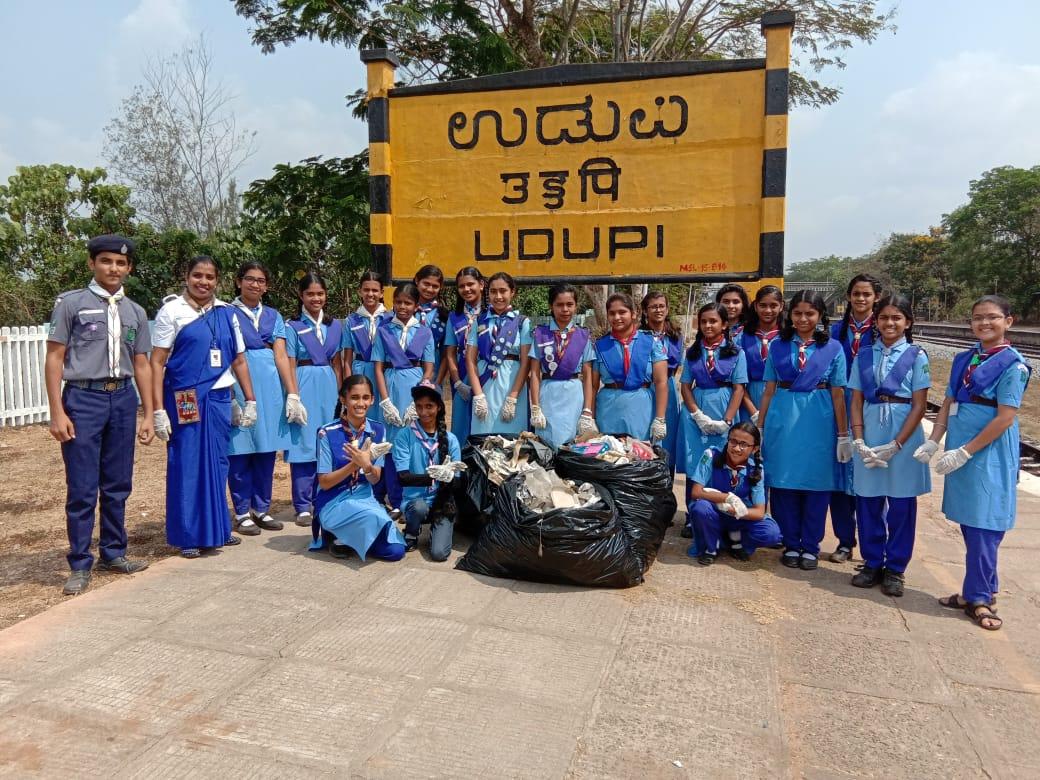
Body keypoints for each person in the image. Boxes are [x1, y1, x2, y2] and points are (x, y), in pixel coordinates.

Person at [44, 234, 154, 595]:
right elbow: (55, 358)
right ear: (92, 263)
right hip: (83, 399)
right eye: (107, 261)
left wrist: (149, 412)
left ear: (129, 269)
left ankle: (113, 552)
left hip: (122, 399)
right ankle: (79, 562)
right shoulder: (71, 304)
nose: (114, 268)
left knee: (118, 483)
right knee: (82, 487)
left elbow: (141, 364)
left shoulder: (135, 311)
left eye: (121, 263)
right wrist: (57, 412)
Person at [916, 295, 1031, 631]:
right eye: (978, 318)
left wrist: (965, 451)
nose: (984, 323)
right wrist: (933, 440)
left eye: (992, 317)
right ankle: (979, 590)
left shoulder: (1014, 365)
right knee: (971, 521)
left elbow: (1005, 417)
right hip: (960, 448)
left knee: (986, 523)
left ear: (1009, 321)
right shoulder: (965, 359)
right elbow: (950, 400)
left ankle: (979, 597)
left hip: (988, 452)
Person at [151, 255, 257, 559]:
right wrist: (157, 409)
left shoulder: (226, 313)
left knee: (218, 461)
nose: (203, 282)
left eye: (210, 277)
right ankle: (189, 534)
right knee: (188, 461)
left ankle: (218, 530)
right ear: (187, 276)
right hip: (185, 397)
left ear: (218, 281)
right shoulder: (172, 311)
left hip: (221, 397)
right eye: (197, 275)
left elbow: (238, 359)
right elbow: (157, 362)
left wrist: (248, 399)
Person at [757, 290, 850, 571]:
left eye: (809, 313)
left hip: (819, 420)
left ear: (820, 316)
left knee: (816, 484)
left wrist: (843, 434)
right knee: (783, 482)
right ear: (790, 314)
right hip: (782, 418)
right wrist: (760, 426)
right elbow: (769, 389)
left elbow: (838, 394)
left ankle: (810, 545)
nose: (803, 318)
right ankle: (791, 542)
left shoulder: (833, 349)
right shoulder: (778, 346)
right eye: (797, 313)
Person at [848, 294, 930, 597]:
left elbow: (919, 405)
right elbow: (855, 399)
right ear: (876, 321)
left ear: (907, 322)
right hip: (870, 430)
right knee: (868, 501)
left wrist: (897, 444)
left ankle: (895, 568)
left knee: (901, 504)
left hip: (903, 435)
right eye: (884, 317)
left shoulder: (917, 355)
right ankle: (872, 562)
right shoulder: (864, 354)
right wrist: (857, 438)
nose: (890, 323)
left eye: (897, 317)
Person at [227, 261, 305, 536]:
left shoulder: (273, 315)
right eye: (250, 279)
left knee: (265, 450)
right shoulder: (226, 313)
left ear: (267, 286)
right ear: (238, 282)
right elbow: (226, 355)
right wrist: (231, 396)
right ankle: (241, 511)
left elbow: (281, 355)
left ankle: (261, 507)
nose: (255, 284)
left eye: (261, 280)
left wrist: (292, 392)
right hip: (238, 384)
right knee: (239, 450)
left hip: (270, 389)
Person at [309, 375, 406, 562]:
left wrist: (367, 465)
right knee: (374, 524)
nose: (360, 403)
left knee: (395, 551)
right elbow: (324, 482)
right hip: (334, 500)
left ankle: (347, 538)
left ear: (372, 400)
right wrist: (354, 464)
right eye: (354, 397)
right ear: (343, 399)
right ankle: (334, 532)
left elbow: (376, 478)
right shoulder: (326, 432)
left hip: (364, 498)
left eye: (365, 398)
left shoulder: (378, 430)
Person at [828, 273, 882, 564]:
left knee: (870, 475)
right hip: (839, 405)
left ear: (875, 298)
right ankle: (845, 540)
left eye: (867, 294)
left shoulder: (883, 328)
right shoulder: (836, 332)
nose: (861, 299)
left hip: (871, 407)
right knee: (839, 477)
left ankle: (874, 546)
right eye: (856, 294)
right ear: (848, 297)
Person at [285, 272, 343, 527]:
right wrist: (293, 394)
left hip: (329, 384)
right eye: (310, 294)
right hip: (304, 382)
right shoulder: (292, 326)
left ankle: (324, 497)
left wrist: (342, 394)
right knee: (303, 444)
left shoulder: (335, 326)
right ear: (301, 295)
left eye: (320, 294)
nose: (316, 298)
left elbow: (339, 363)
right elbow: (289, 361)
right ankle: (302, 505)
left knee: (328, 442)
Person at [373, 282, 436, 510]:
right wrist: (385, 400)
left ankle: (411, 498)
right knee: (389, 446)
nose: (402, 306)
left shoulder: (424, 331)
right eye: (398, 302)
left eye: (408, 302)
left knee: (412, 445)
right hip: (390, 386)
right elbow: (378, 367)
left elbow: (429, 368)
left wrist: (416, 402)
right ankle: (394, 499)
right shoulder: (384, 330)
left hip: (415, 389)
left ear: (416, 305)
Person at [686, 423, 781, 565]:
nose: (736, 448)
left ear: (754, 448)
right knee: (700, 508)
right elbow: (696, 492)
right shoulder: (711, 456)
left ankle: (736, 541)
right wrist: (727, 498)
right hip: (714, 513)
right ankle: (712, 547)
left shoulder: (756, 469)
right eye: (733, 441)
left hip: (739, 517)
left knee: (771, 533)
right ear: (727, 440)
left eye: (743, 444)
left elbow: (759, 512)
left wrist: (736, 510)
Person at [393, 384, 463, 559]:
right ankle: (411, 533)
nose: (423, 412)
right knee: (419, 508)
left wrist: (449, 477)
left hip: (442, 503)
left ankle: (438, 530)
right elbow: (403, 478)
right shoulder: (404, 435)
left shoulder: (451, 439)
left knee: (439, 554)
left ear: (439, 407)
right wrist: (433, 477)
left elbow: (459, 482)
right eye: (419, 406)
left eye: (429, 406)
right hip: (416, 501)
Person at [590, 293, 669, 442]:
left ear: (633, 314)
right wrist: (590, 416)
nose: (617, 317)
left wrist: (660, 418)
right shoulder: (600, 346)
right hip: (608, 410)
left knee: (641, 456)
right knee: (610, 457)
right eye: (612, 313)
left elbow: (661, 382)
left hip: (641, 409)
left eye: (622, 312)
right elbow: (593, 386)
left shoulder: (651, 342)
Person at [680, 303, 747, 475]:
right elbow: (686, 386)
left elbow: (739, 388)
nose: (707, 326)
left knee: (723, 461)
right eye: (703, 322)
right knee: (695, 462)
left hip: (724, 407)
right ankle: (694, 500)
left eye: (713, 321)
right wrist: (697, 415)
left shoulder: (737, 353)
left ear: (724, 324)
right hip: (696, 411)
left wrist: (727, 421)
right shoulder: (692, 352)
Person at [530, 284, 597, 448]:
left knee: (572, 443)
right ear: (551, 306)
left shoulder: (583, 335)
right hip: (548, 393)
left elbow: (588, 377)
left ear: (576, 306)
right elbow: (534, 374)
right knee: (547, 442)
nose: (565, 309)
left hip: (574, 394)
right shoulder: (540, 334)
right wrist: (536, 406)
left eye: (569, 304)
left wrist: (587, 410)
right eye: (559, 305)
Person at [466, 272, 532, 436]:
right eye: (493, 291)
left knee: (512, 441)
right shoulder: (479, 321)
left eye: (503, 291)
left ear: (512, 292)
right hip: (485, 384)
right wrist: (478, 395)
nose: (498, 296)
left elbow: (526, 362)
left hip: (513, 384)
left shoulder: (522, 322)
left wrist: (513, 397)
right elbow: (470, 359)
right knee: (484, 438)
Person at [641, 290, 683, 471]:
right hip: (646, 388)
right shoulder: (639, 336)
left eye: (661, 306)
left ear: (667, 309)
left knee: (666, 436)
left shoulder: (676, 336)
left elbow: (679, 365)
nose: (658, 310)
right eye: (653, 307)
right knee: (644, 435)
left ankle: (666, 478)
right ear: (645, 311)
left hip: (669, 388)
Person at [444, 267, 485, 443]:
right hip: (462, 373)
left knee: (484, 421)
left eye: (471, 284)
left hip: (486, 371)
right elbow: (450, 353)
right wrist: (457, 382)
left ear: (481, 284)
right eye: (462, 286)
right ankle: (461, 467)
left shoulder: (491, 314)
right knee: (461, 424)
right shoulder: (454, 317)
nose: (466, 289)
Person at [341, 271, 390, 408]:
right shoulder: (351, 321)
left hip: (384, 373)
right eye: (366, 290)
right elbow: (347, 360)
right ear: (360, 292)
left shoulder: (390, 319)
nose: (370, 294)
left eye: (374, 290)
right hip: (360, 372)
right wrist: (348, 385)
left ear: (381, 293)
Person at [739, 285, 784, 423]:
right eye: (763, 305)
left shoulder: (789, 337)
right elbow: (737, 380)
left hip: (781, 397)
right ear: (755, 306)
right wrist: (753, 411)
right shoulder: (742, 336)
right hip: (749, 398)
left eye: (773, 305)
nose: (768, 310)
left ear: (781, 306)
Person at [414, 264, 448, 382]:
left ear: (440, 287)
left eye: (435, 286)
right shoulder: (405, 310)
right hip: (407, 368)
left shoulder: (443, 315)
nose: (429, 289)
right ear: (417, 280)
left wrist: (438, 382)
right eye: (426, 284)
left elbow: (446, 354)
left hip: (434, 368)